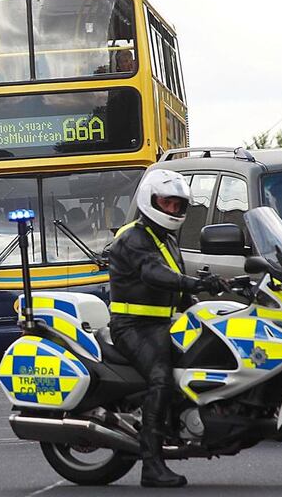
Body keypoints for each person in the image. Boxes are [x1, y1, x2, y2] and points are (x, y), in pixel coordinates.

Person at [108, 170, 225, 488]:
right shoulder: (134, 237)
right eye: (167, 202)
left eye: (178, 204)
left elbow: (177, 289)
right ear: (150, 201)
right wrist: (194, 282)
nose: (173, 209)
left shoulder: (166, 239)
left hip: (162, 323)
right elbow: (154, 275)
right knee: (161, 379)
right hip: (133, 327)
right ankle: (152, 465)